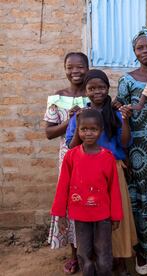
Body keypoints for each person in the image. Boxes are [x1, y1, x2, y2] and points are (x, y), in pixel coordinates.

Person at [66, 69, 137, 276]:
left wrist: (124, 119)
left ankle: (120, 261)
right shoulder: (81, 115)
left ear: (108, 89)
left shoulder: (114, 114)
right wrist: (80, 122)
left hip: (112, 169)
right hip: (86, 172)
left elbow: (124, 143)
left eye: (102, 87)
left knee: (116, 218)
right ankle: (95, 262)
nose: (97, 92)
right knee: (92, 217)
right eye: (92, 88)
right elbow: (71, 147)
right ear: (85, 91)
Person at [114, 27, 147, 275]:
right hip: (137, 152)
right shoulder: (127, 80)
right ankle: (142, 254)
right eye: (140, 47)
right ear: (134, 52)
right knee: (140, 203)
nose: (145, 51)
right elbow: (119, 109)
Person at [51, 109, 123, 276]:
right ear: (78, 130)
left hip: (103, 215)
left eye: (93, 129)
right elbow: (63, 186)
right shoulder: (71, 156)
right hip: (80, 214)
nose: (88, 133)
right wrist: (60, 214)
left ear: (101, 131)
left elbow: (114, 188)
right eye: (84, 129)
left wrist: (116, 215)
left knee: (104, 253)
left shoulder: (108, 157)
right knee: (83, 253)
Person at [44, 52, 89, 275]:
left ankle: (89, 252)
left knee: (91, 199)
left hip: (91, 157)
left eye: (80, 67)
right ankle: (74, 253)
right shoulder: (57, 98)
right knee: (71, 203)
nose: (75, 72)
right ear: (65, 69)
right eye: (70, 67)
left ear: (87, 68)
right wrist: (70, 121)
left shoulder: (94, 95)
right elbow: (49, 133)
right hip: (68, 158)